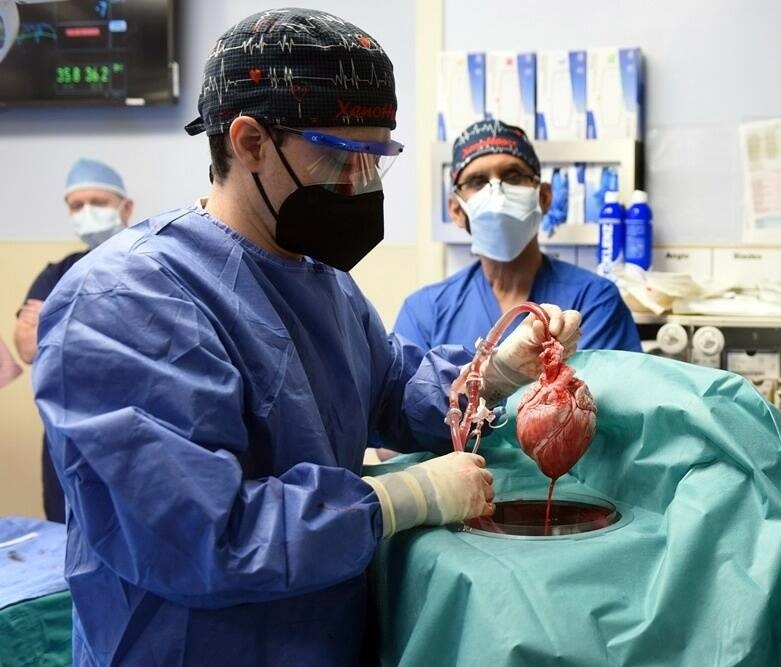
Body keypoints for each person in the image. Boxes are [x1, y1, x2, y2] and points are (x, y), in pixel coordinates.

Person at [32, 10, 581, 665]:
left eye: (378, 157)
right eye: (343, 156)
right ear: (250, 142)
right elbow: (200, 534)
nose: (362, 184)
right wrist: (404, 495)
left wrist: (493, 373)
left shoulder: (322, 282)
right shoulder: (124, 302)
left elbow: (393, 386)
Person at [394, 119, 641, 353]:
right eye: (477, 181)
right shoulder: (426, 312)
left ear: (544, 197)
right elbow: (411, 395)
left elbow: (602, 393)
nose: (497, 194)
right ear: (457, 210)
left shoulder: (594, 301)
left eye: (512, 177)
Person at [14, 157, 134, 523]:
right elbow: (29, 346)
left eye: (97, 203)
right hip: (65, 433)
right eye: (77, 205)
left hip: (134, 430)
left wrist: (58, 325)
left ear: (125, 208)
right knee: (67, 532)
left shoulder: (149, 262)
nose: (87, 212)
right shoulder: (59, 271)